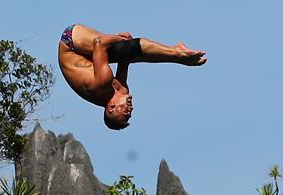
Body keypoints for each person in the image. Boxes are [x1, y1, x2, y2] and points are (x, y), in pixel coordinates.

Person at [58, 23, 206, 130]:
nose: (131, 108)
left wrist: (119, 39)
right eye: (130, 112)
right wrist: (127, 43)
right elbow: (126, 59)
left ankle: (176, 53)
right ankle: (177, 55)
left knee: (128, 48)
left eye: (126, 111)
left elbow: (99, 43)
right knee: (131, 51)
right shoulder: (122, 90)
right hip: (87, 55)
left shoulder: (101, 84)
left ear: (111, 108)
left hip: (71, 43)